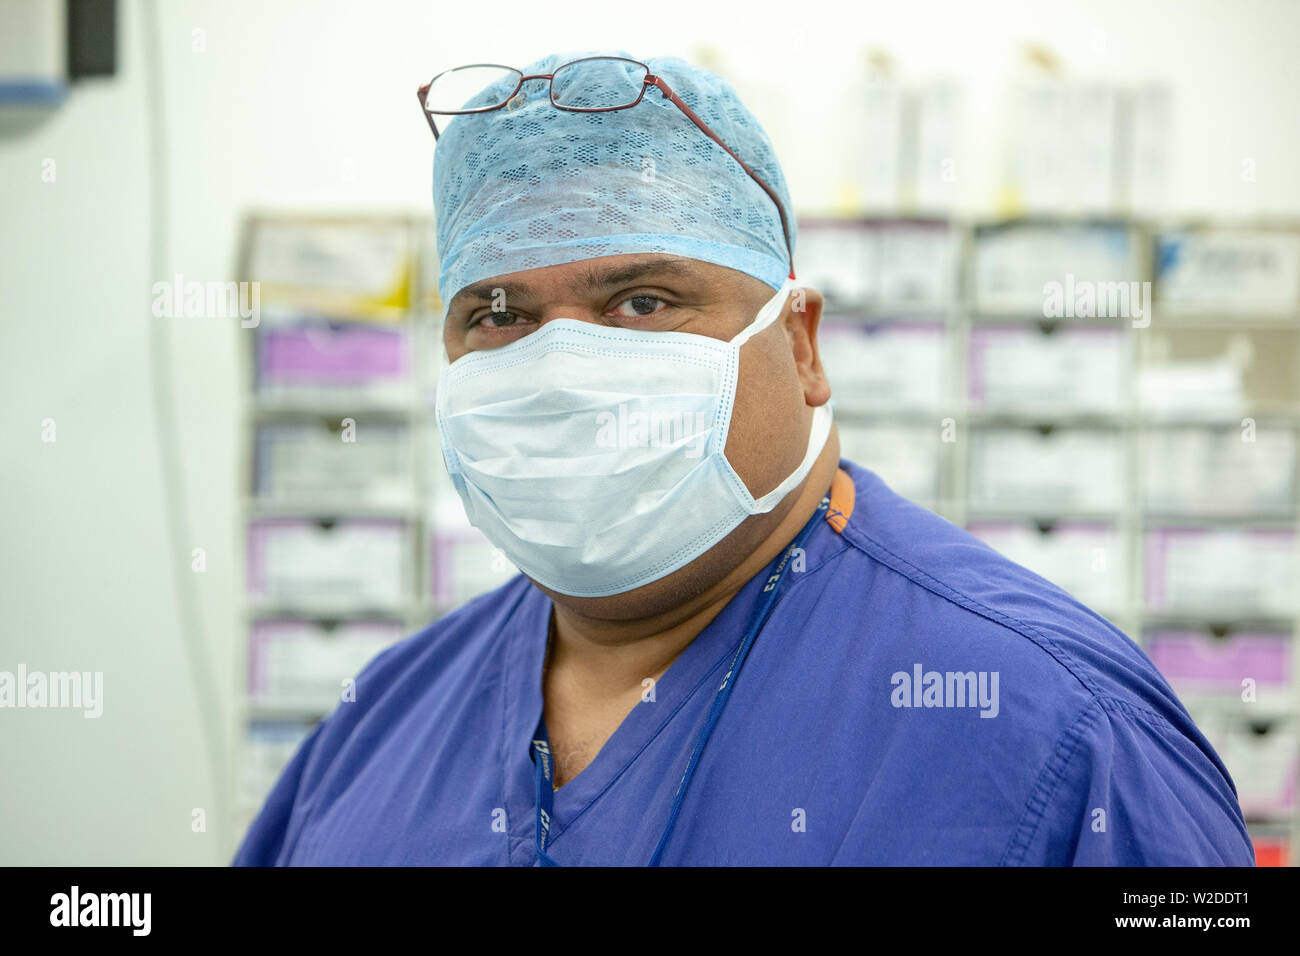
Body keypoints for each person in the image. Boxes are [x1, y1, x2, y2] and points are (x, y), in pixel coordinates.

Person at [233, 50, 1255, 866]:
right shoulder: (386, 718)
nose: (562, 362)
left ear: (799, 342)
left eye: (643, 301)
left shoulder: (1055, 728)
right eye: (496, 314)